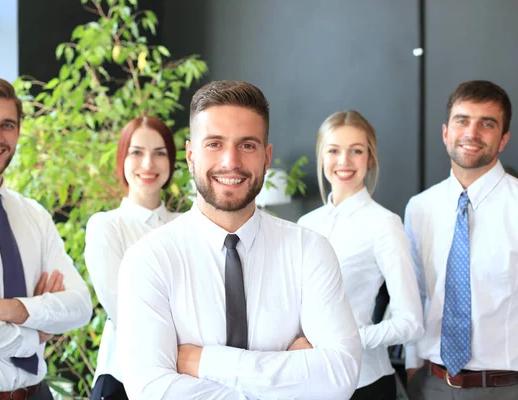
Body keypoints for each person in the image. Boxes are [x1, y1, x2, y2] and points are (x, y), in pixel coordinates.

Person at [116, 80, 362, 399]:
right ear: (191, 154)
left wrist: (205, 361)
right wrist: (290, 375)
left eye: (247, 145)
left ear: (266, 156)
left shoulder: (309, 250)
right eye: (214, 144)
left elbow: (340, 375)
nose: (230, 161)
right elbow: (150, 390)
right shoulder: (150, 258)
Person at [0, 76, 92, 399]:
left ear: (19, 131)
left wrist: (11, 309)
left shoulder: (34, 214)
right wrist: (36, 333)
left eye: (7, 125)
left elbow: (80, 307)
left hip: (37, 393)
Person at [404, 80, 518, 400]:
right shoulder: (420, 208)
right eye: (462, 120)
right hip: (432, 385)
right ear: (445, 132)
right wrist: (413, 368)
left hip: (510, 389)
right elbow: (414, 294)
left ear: (504, 138)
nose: (472, 132)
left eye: (487, 123)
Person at [298, 110, 424, 400]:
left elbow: (411, 323)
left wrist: (348, 339)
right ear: (322, 157)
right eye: (334, 150)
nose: (344, 161)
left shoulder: (384, 224)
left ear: (370, 158)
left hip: (365, 384)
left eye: (356, 150)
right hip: (309, 381)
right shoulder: (305, 224)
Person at [85, 115, 179, 400]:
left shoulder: (187, 224)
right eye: (136, 152)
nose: (148, 164)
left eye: (159, 153)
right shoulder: (106, 226)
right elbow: (124, 310)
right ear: (121, 160)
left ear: (172, 162)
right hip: (122, 379)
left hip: (183, 381)